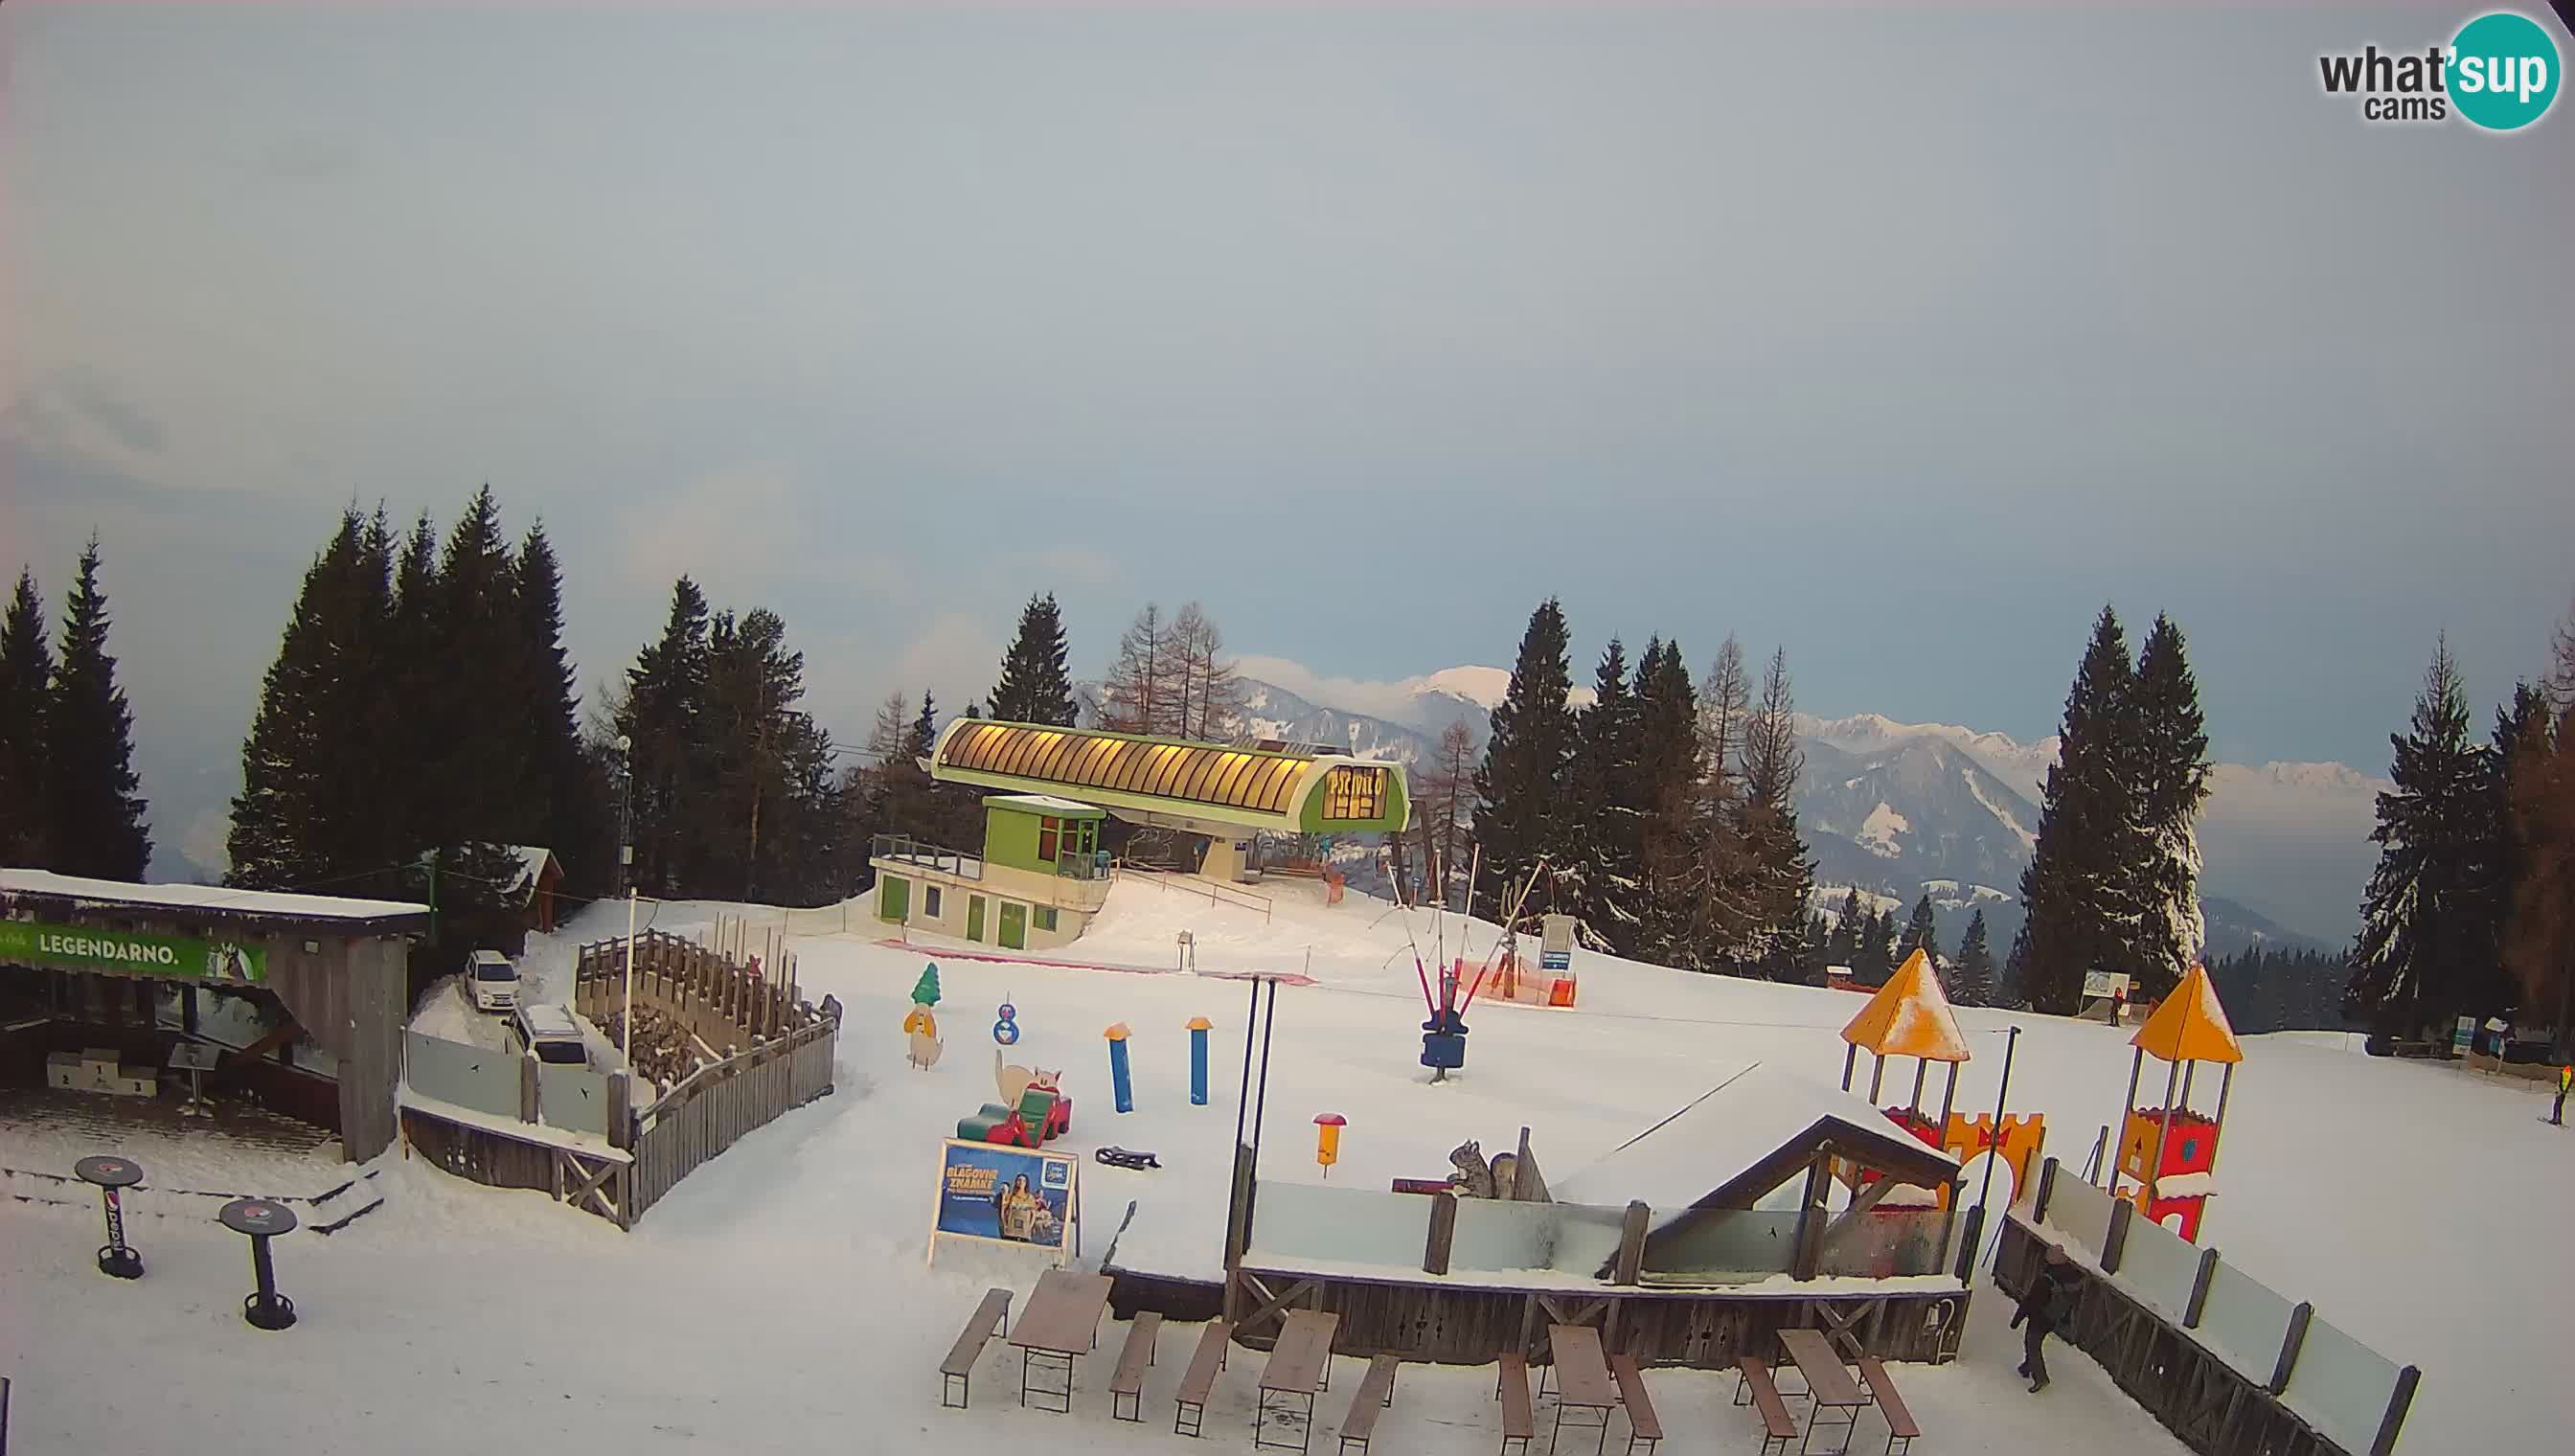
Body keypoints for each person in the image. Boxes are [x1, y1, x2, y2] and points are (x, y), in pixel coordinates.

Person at [2010, 1243, 2080, 1393]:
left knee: (2032, 1344)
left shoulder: (2045, 1280)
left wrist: (2016, 1320)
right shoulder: (2070, 1275)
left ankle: (2040, 1378)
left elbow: (2030, 1301)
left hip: (2039, 1318)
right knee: (2034, 1341)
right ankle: (2028, 1366)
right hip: (2053, 1318)